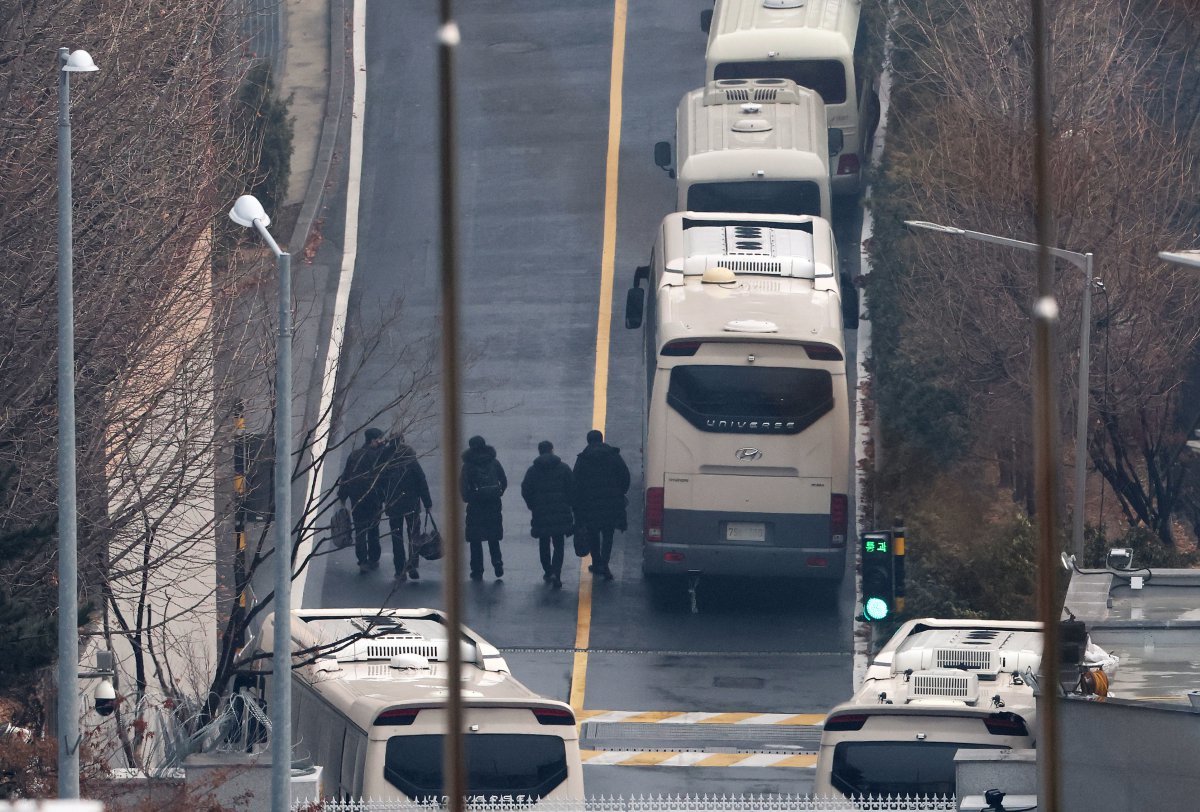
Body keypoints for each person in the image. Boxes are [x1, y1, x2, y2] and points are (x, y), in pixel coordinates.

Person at [572, 429, 630, 580]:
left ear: (588, 441)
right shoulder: (613, 456)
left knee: (593, 534)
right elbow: (625, 476)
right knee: (608, 533)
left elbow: (575, 482)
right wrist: (619, 493)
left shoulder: (583, 459)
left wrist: (577, 503)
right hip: (611, 502)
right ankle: (605, 563)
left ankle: (596, 561)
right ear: (602, 439)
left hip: (590, 504)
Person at [520, 440, 574, 589]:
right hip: (560, 512)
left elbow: (526, 490)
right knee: (559, 544)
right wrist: (568, 504)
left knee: (543, 542)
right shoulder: (563, 468)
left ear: (539, 451)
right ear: (552, 450)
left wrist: (533, 506)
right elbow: (572, 488)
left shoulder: (533, 471)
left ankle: (547, 569)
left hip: (541, 512)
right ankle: (557, 572)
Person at [381, 433, 432, 582]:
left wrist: (383, 499)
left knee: (396, 537)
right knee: (413, 535)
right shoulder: (410, 459)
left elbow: (379, 482)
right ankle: (412, 565)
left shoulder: (385, 460)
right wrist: (427, 502)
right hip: (412, 503)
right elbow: (421, 480)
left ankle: (399, 570)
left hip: (393, 504)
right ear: (402, 441)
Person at [337, 427, 389, 573]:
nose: (382, 441)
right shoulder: (377, 455)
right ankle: (374, 558)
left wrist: (342, 496)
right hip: (373, 499)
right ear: (373, 440)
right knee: (373, 529)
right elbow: (385, 469)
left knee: (360, 530)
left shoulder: (355, 455)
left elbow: (346, 476)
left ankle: (362, 561)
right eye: (380, 439)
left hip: (357, 499)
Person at [460, 435, 507, 580]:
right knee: (493, 536)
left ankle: (477, 570)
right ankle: (497, 562)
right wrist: (499, 492)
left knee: (475, 539)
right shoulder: (494, 462)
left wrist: (468, 498)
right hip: (493, 503)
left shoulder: (468, 465)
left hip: (476, 505)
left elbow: (462, 485)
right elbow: (503, 480)